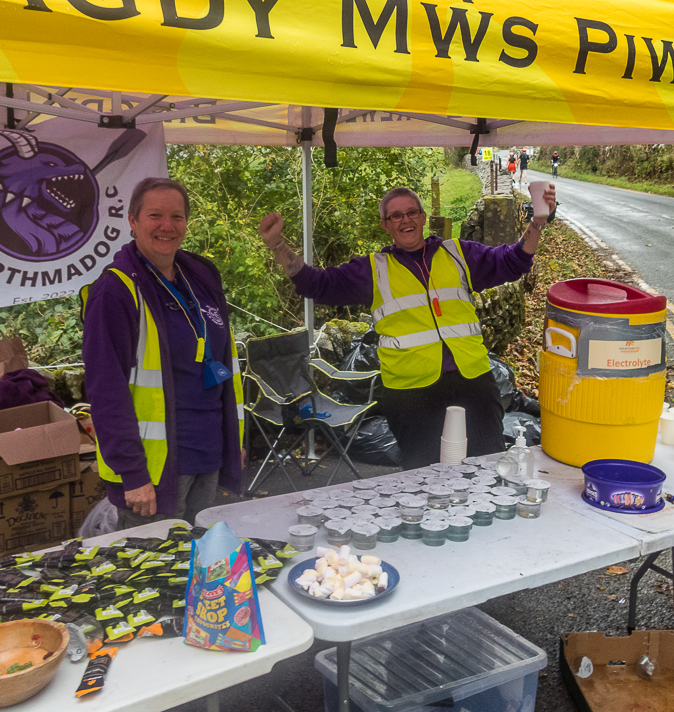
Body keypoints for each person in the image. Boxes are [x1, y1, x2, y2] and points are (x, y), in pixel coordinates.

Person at [258, 184, 557, 469]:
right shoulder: (373, 269)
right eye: (396, 216)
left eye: (412, 212)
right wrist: (277, 245)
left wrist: (538, 222)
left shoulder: (459, 254)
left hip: (473, 381)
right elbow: (317, 284)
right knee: (423, 474)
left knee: (486, 464)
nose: (406, 220)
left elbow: (514, 260)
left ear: (423, 217)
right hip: (411, 392)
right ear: (385, 225)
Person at [82, 178, 244, 529]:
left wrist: (234, 443)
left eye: (177, 216)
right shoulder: (115, 291)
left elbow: (223, 367)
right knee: (154, 575)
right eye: (155, 215)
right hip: (155, 471)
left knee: (200, 564)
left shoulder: (200, 277)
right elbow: (105, 392)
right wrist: (132, 474)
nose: (167, 226)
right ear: (133, 221)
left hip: (207, 452)